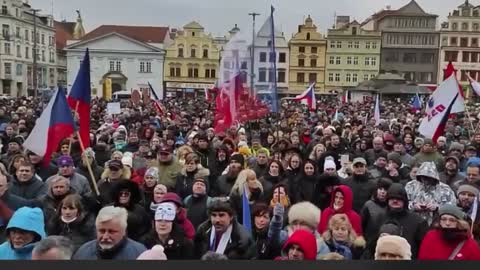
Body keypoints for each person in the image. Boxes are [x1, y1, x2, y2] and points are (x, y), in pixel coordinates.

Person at [73, 206, 147, 260]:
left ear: (123, 231)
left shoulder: (140, 253)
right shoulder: (83, 252)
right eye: (102, 231)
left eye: (111, 231)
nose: (105, 236)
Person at [383, 183, 429, 258]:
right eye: (392, 198)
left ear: (404, 201)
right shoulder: (379, 217)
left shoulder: (418, 222)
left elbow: (424, 249)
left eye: (398, 199)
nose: (395, 201)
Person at [361, 178, 392, 245]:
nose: (382, 192)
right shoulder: (369, 205)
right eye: (380, 189)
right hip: (369, 241)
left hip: (387, 242)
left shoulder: (391, 206)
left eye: (385, 190)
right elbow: (362, 225)